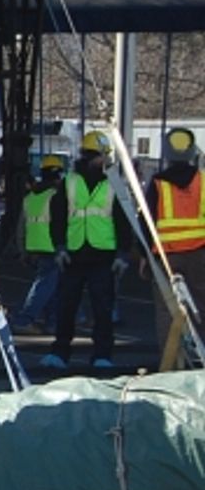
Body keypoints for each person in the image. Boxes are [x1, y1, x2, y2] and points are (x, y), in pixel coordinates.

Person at [42, 130, 132, 370]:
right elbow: (58, 217)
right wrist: (59, 247)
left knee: (102, 309)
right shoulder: (70, 182)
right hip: (75, 255)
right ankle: (61, 353)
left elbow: (123, 220)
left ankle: (101, 355)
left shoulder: (113, 184)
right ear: (97, 156)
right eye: (103, 156)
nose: (105, 160)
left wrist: (123, 253)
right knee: (68, 307)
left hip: (102, 256)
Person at [143, 126, 205, 367]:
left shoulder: (158, 184)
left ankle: (170, 364)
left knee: (166, 310)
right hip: (199, 254)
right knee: (200, 307)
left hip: (167, 256)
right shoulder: (202, 181)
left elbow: (146, 220)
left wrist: (145, 256)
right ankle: (200, 362)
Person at [10, 154, 66, 334]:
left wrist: (22, 250)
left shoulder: (30, 198)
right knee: (45, 286)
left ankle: (52, 323)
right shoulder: (56, 196)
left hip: (34, 248)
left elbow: (21, 227)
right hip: (52, 248)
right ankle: (23, 319)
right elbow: (64, 224)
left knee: (52, 288)